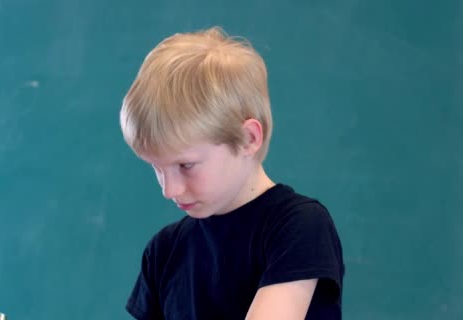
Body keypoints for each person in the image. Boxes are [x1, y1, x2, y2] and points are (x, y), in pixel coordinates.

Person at [119, 26, 344, 319]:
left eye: (185, 166)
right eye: (157, 168)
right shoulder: (164, 251)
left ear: (249, 138)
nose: (169, 189)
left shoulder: (298, 226)